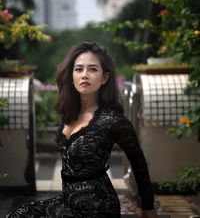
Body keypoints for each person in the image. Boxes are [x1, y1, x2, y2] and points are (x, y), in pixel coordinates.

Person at [6, 42, 158, 218]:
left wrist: (148, 208)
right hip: (67, 202)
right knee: (17, 214)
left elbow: (138, 163)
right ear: (72, 76)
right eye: (79, 69)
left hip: (98, 206)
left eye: (92, 69)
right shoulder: (69, 113)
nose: (85, 75)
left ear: (105, 77)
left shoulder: (113, 120)